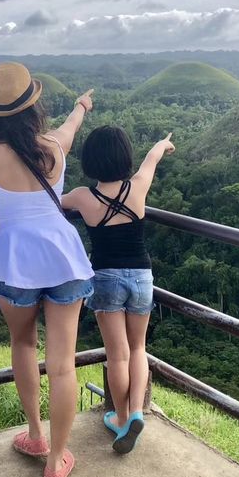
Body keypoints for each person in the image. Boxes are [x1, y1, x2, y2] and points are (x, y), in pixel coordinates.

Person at [0, 62, 94, 477]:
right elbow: (70, 128)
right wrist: (81, 105)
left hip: (16, 259)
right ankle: (58, 461)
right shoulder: (54, 149)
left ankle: (36, 437)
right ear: (33, 105)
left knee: (22, 343)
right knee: (62, 365)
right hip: (63, 258)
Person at [62, 126, 175, 453]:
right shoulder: (137, 187)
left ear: (90, 161)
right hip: (142, 277)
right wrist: (162, 144)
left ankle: (122, 417)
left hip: (106, 278)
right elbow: (151, 160)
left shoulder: (84, 196)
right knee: (138, 348)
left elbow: (52, 201)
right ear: (125, 156)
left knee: (118, 354)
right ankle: (137, 412)